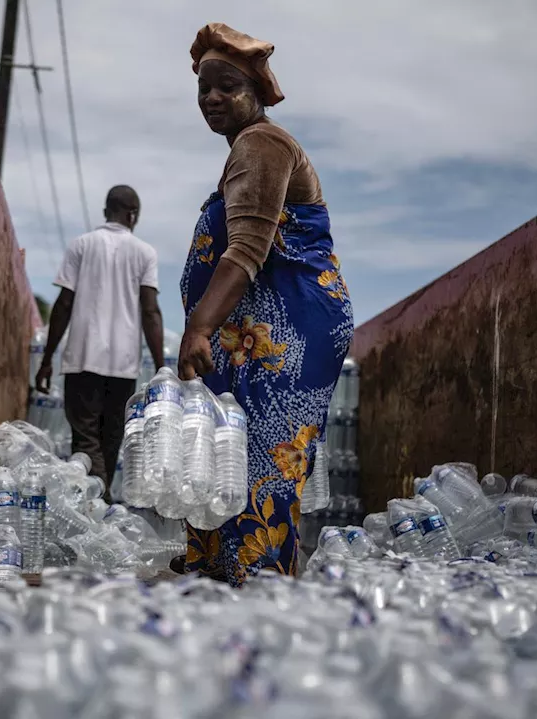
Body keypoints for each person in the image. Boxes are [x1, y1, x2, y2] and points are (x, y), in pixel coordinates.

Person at [175, 24, 353, 586]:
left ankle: (260, 578)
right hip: (264, 329)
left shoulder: (263, 143)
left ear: (254, 91)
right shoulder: (246, 153)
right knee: (231, 442)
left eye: (226, 86)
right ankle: (223, 562)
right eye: (204, 88)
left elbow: (247, 250)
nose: (211, 98)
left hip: (290, 333)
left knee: (265, 451)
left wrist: (199, 326)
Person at [36, 186, 164, 483]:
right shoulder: (145, 253)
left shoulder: (81, 245)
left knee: (85, 440)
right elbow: (150, 312)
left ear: (107, 211)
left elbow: (64, 304)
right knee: (110, 440)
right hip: (123, 365)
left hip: (82, 359)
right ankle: (101, 501)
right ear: (133, 215)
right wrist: (161, 368)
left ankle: (95, 500)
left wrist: (47, 359)